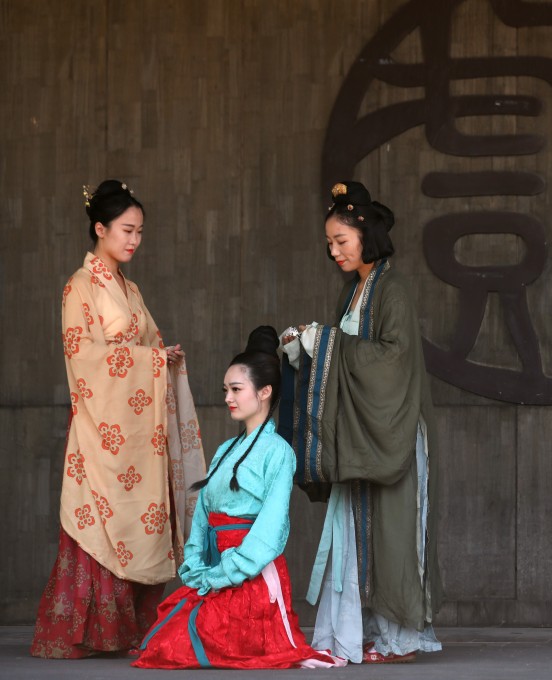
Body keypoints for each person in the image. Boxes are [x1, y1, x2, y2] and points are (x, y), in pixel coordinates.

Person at [31, 181, 206, 659]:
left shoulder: (130, 289)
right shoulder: (80, 286)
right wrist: (149, 362)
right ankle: (92, 631)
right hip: (102, 428)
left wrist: (162, 357)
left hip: (137, 432)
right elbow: (84, 357)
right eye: (127, 230)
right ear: (100, 228)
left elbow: (146, 344)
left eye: (140, 231)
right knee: (99, 523)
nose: (134, 240)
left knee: (141, 520)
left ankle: (128, 627)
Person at [279, 180, 441, 664]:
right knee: (358, 534)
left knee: (393, 532)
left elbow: (393, 360)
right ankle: (366, 629)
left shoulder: (393, 290)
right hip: (360, 433)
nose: (334, 251)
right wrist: (305, 348)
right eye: (329, 243)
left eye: (341, 241)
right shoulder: (353, 290)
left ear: (366, 234)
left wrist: (326, 341)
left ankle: (400, 638)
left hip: (390, 429)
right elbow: (342, 361)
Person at [133, 327, 340, 669]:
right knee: (166, 640)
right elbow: (203, 515)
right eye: (226, 390)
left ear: (265, 392)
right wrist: (196, 564)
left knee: (188, 643)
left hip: (250, 575)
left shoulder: (279, 452)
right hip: (214, 570)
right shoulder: (225, 449)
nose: (228, 397)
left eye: (236, 389)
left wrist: (227, 572)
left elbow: (271, 529)